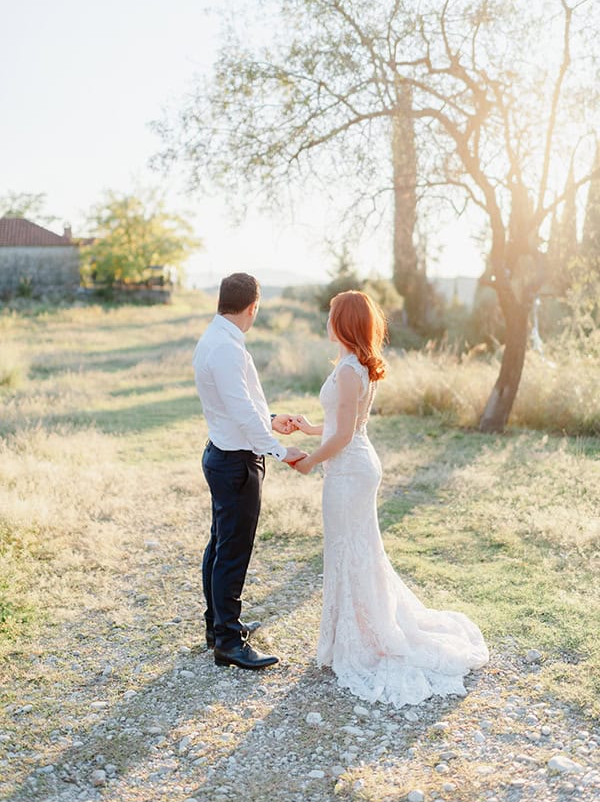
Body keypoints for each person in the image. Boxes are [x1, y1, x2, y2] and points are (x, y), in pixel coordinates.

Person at [291, 290, 489, 706]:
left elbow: (345, 435)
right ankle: (356, 633)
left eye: (331, 315)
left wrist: (308, 461)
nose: (326, 321)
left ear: (343, 322)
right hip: (352, 465)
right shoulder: (351, 365)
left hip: (350, 470)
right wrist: (310, 428)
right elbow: (342, 423)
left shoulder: (349, 370)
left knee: (351, 551)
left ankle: (366, 637)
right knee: (354, 550)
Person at [193, 273, 306, 670]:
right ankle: (228, 640)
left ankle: (218, 625)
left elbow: (236, 405)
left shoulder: (214, 338)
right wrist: (281, 452)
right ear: (253, 307)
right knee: (232, 552)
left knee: (220, 545)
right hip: (235, 462)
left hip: (223, 453)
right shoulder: (227, 347)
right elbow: (240, 411)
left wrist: (270, 419)